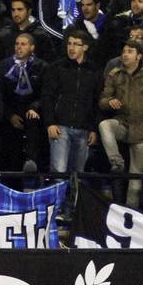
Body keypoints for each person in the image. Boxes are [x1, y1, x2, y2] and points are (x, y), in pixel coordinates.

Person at [99, 41, 143, 199]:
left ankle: (131, 219)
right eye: (124, 51)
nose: (125, 54)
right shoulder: (115, 74)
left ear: (139, 56)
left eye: (130, 51)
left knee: (135, 185)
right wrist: (109, 102)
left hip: (142, 130)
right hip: (122, 124)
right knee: (105, 125)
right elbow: (103, 100)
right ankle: (116, 161)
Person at [43, 29, 104, 178]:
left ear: (85, 47)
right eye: (69, 44)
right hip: (60, 127)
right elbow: (47, 96)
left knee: (78, 175)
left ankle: (75, 202)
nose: (71, 48)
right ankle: (58, 202)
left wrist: (94, 129)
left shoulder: (94, 70)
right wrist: (50, 123)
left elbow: (97, 101)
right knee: (59, 171)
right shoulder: (57, 68)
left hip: (84, 129)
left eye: (76, 44)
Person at [0, 31, 48, 172]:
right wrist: (10, 115)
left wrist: (35, 107)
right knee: (8, 139)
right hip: (9, 114)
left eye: (23, 44)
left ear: (32, 48)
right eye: (17, 44)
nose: (19, 47)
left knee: (35, 122)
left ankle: (32, 162)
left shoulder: (42, 67)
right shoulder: (2, 67)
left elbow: (46, 94)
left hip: (33, 113)